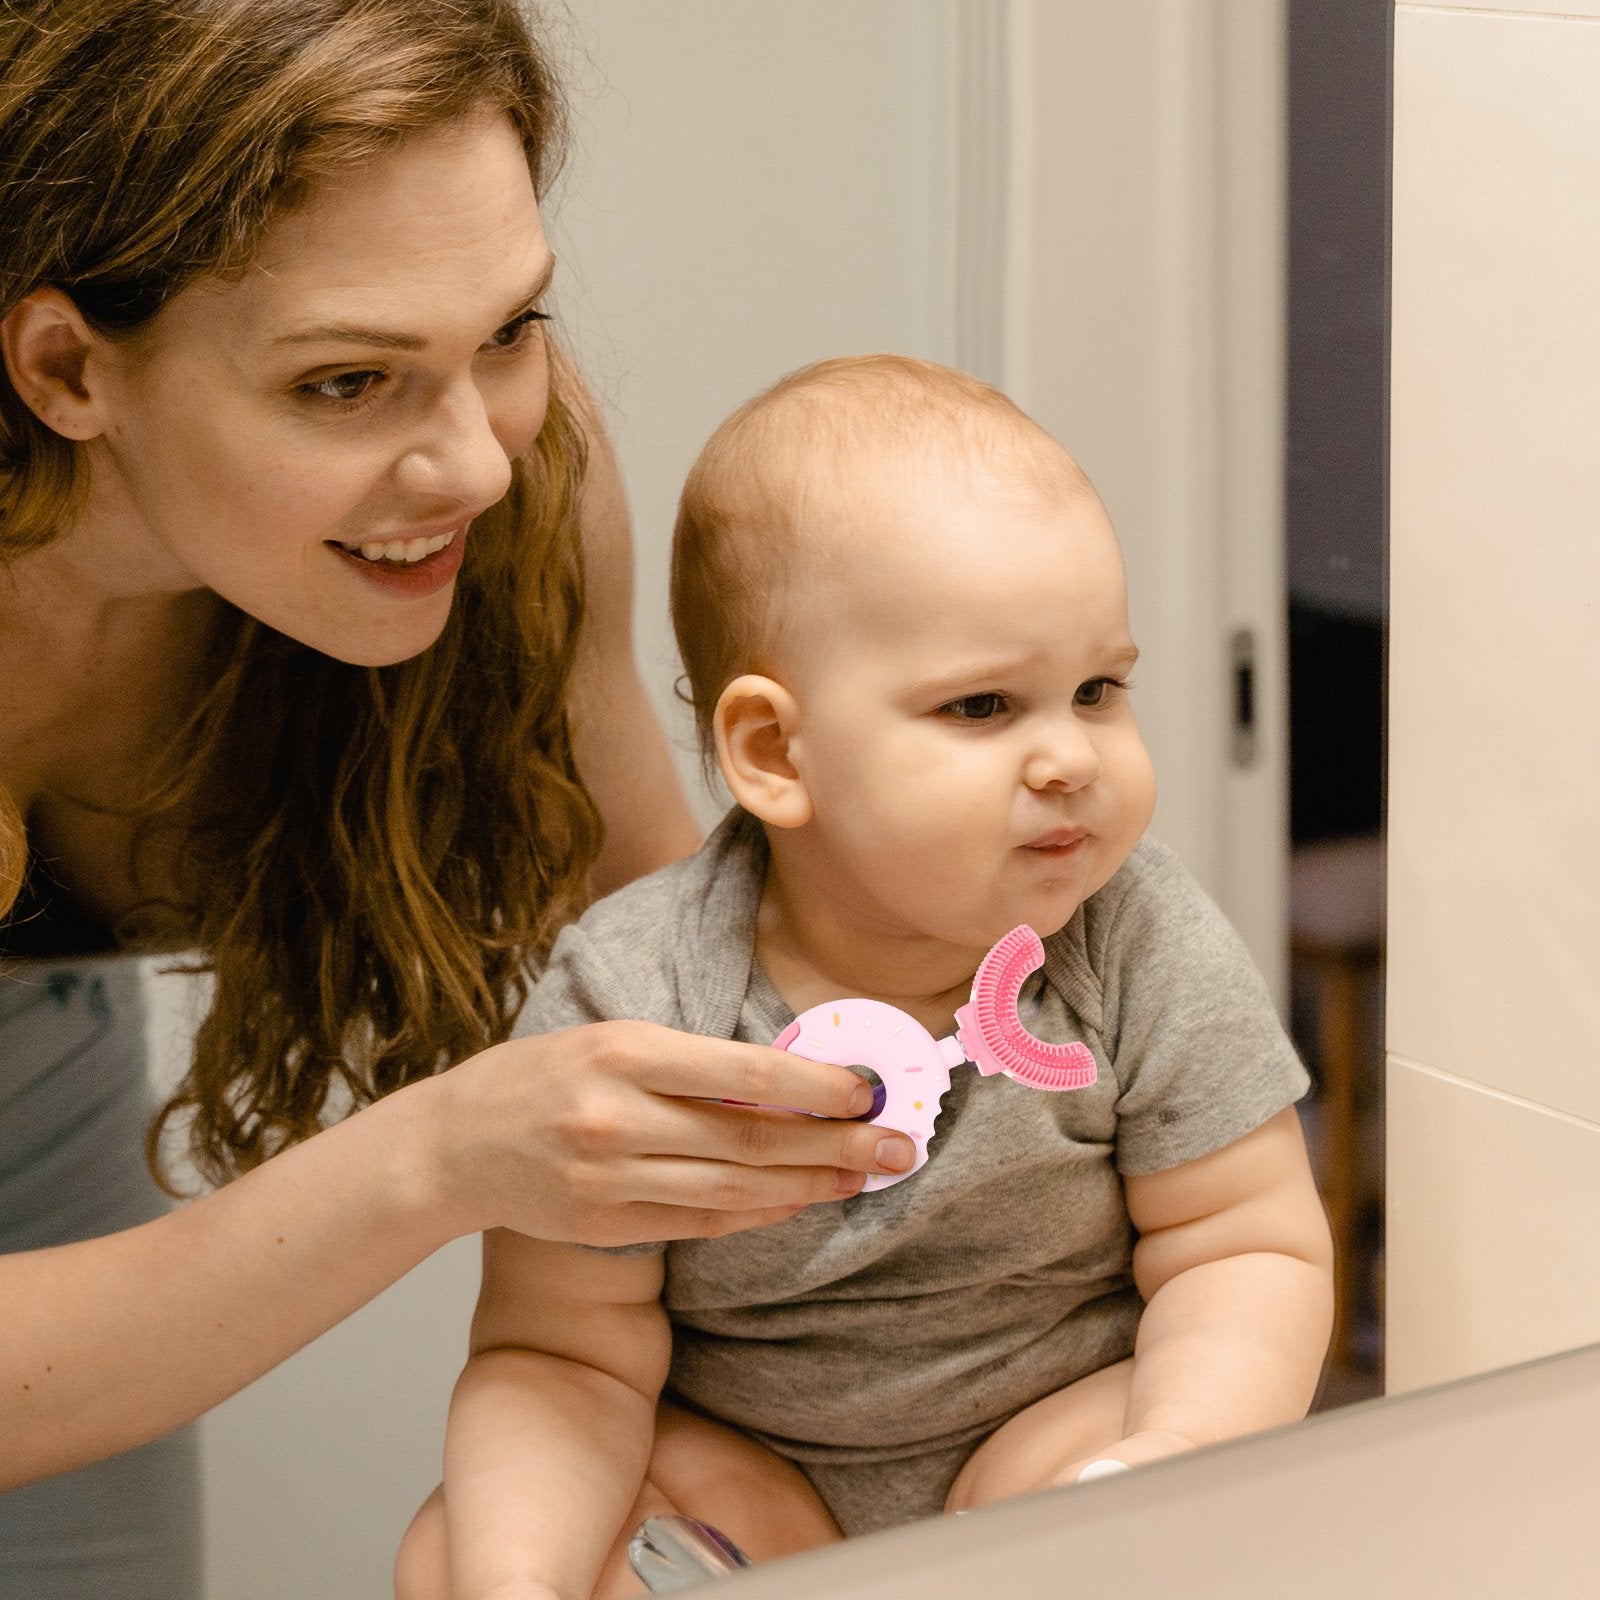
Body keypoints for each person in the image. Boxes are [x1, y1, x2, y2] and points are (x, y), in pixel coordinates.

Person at [0, 8, 916, 1597]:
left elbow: (702, 1016)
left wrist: (673, 1466)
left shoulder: (512, 501)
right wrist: (437, 1163)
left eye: (505, 331)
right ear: (70, 366)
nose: (478, 464)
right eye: (347, 381)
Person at [397, 355, 1337, 1599]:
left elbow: (1243, 1248)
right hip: (753, 1473)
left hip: (1047, 1429)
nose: (1069, 755)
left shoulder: (1135, 937)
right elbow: (562, 1352)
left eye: (1099, 689)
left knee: (1194, 1516)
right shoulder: (635, 994)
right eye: (983, 705)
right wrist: (519, 1575)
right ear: (776, 751)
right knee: (458, 1550)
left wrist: (1178, 1449)